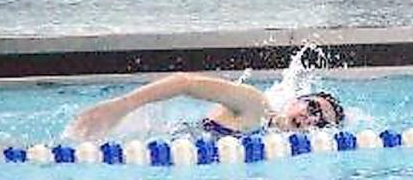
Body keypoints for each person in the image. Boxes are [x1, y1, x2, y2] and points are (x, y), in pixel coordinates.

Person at [65, 72, 345, 141]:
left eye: (321, 123)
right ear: (296, 100)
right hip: (154, 144)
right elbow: (185, 83)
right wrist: (122, 106)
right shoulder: (254, 106)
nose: (311, 119)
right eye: (312, 108)